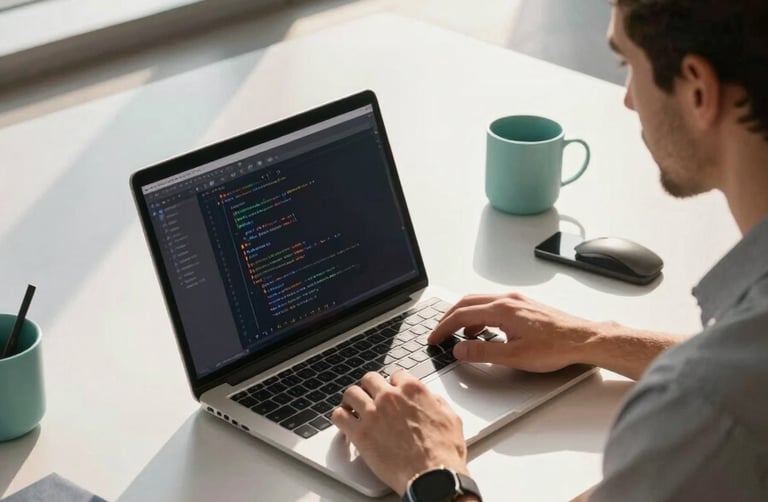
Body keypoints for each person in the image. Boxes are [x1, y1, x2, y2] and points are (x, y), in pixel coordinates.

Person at [332, 1, 768, 501]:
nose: (627, 99)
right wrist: (596, 339)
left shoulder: (701, 414)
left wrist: (434, 474)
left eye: (628, 65)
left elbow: (725, 394)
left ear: (697, 88)